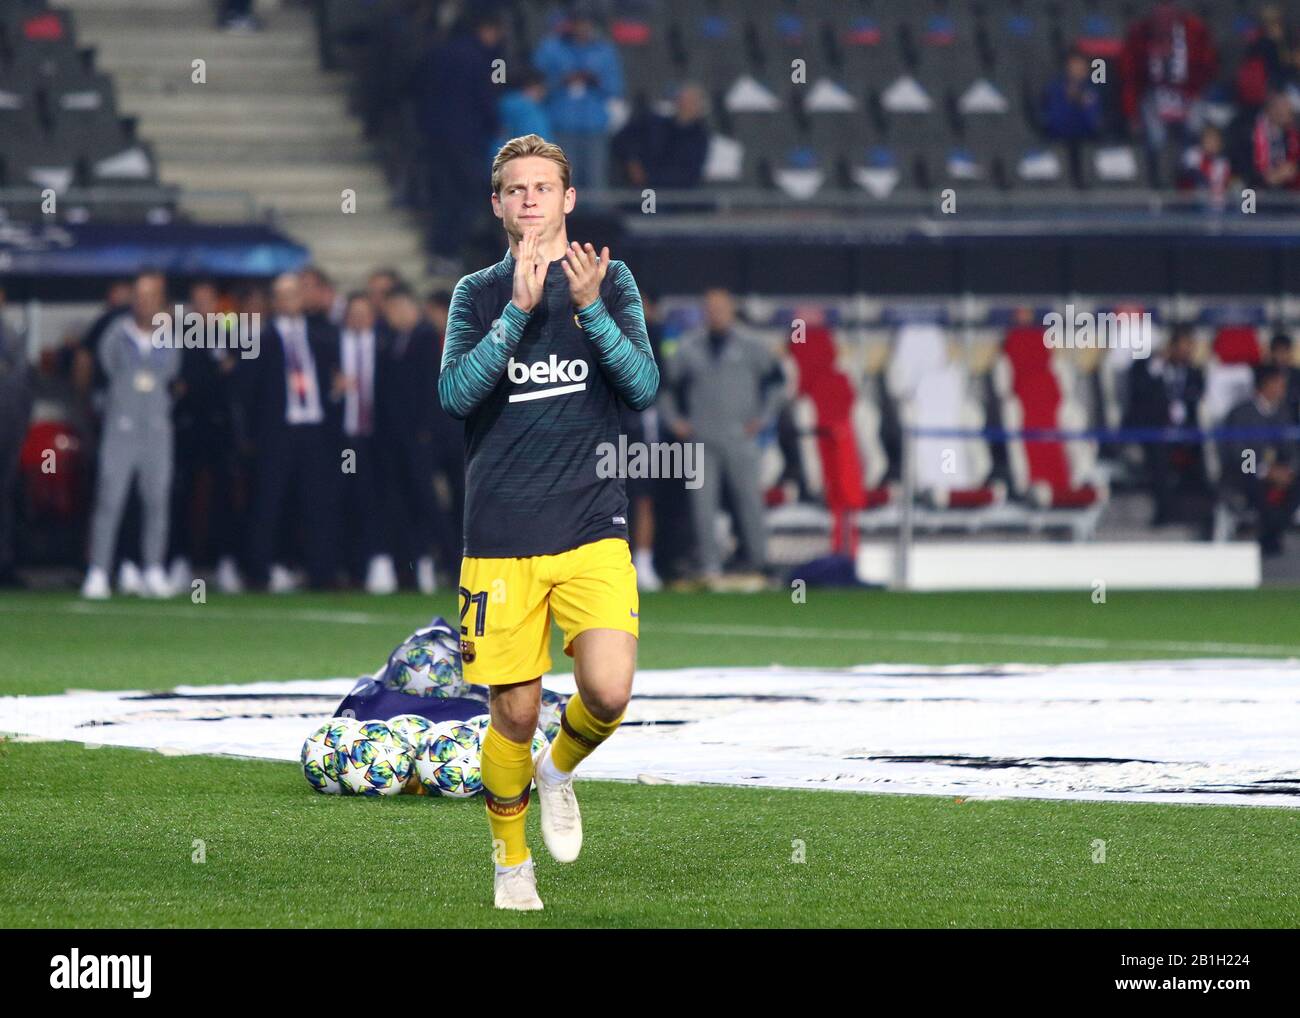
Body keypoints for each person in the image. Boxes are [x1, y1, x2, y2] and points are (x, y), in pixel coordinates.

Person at [439, 133, 658, 910]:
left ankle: (558, 768)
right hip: (499, 536)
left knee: (607, 690)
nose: (530, 198)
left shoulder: (610, 280)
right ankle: (509, 861)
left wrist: (591, 310)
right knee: (517, 711)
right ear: (497, 204)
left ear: (568, 199)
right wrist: (518, 316)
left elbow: (640, 386)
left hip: (590, 525)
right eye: (515, 188)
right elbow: (457, 397)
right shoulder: (476, 293)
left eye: (544, 187)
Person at [658, 288, 783, 583]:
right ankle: (709, 563)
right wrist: (674, 420)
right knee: (702, 504)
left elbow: (777, 382)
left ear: (731, 310)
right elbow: (663, 386)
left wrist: (764, 418)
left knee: (749, 499)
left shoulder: (752, 345)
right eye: (710, 308)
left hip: (740, 434)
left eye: (721, 308)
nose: (715, 313)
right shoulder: (688, 347)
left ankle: (758, 560)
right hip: (701, 438)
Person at [81, 270, 181, 600]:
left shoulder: (172, 336)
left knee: (157, 501)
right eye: (139, 296)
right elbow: (105, 371)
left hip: (156, 429)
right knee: (110, 498)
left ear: (162, 302)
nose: (144, 302)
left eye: (151, 296)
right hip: (121, 427)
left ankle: (153, 567)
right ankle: (98, 570)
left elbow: (174, 376)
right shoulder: (114, 335)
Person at [247, 272, 343, 591]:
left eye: (294, 293)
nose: (289, 300)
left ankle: (320, 574)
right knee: (268, 503)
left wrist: (336, 392)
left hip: (315, 428)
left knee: (318, 503)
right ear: (274, 301)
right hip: (278, 431)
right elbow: (250, 393)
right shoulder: (261, 340)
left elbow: (334, 379)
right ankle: (259, 573)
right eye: (282, 294)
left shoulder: (323, 336)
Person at [375, 285, 447, 594]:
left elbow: (429, 389)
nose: (388, 317)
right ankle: (410, 569)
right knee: (402, 506)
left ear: (405, 307)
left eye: (391, 309)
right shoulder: (393, 342)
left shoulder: (427, 339)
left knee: (427, 503)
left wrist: (424, 431)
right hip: (396, 441)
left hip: (419, 439)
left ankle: (452, 563)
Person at [533, 3, 624, 189]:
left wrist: (595, 81)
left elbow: (616, 88)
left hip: (594, 128)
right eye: (578, 23)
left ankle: (596, 218)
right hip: (561, 127)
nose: (582, 28)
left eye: (587, 23)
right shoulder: (551, 49)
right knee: (563, 182)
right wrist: (561, 81)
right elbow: (535, 86)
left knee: (595, 182)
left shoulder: (604, 51)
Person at [1124, 324, 1208, 525]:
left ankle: (1198, 516)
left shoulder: (1194, 373)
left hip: (1185, 434)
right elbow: (1139, 396)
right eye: (1184, 346)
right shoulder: (1146, 367)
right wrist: (1158, 365)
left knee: (1202, 455)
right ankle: (1164, 514)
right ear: (1171, 346)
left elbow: (1195, 402)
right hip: (1154, 431)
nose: (1188, 351)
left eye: (1191, 347)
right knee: (1159, 455)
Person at [1220, 365, 1300, 556]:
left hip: (1280, 473)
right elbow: (1238, 450)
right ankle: (1270, 537)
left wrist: (1287, 470)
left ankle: (1277, 529)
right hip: (1247, 474)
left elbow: (1291, 448)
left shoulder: (1284, 413)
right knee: (1256, 487)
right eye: (1279, 384)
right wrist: (1264, 471)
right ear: (1266, 385)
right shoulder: (1241, 414)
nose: (1283, 389)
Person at [612, 82, 710, 189]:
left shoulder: (700, 137)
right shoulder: (656, 123)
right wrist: (632, 161)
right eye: (682, 99)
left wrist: (650, 178)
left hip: (676, 196)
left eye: (691, 101)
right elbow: (623, 138)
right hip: (643, 192)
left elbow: (689, 173)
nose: (684, 104)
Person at [0, 285, 33, 587]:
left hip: (7, 428)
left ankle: (4, 562)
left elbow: (21, 389)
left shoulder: (10, 335)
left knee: (5, 495)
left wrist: (20, 428)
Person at [1252, 91, 1300, 190]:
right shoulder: (1251, 131)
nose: (1289, 112)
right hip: (1257, 190)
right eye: (1284, 108)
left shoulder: (1293, 135)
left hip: (1287, 192)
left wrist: (1291, 169)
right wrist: (1266, 178)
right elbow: (1245, 167)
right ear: (1272, 110)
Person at [1269, 332, 1300, 423]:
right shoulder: (1265, 374)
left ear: (1290, 352)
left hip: (1293, 418)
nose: (1281, 356)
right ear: (1272, 353)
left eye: (1285, 351)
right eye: (1278, 351)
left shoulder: (1297, 374)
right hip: (1269, 420)